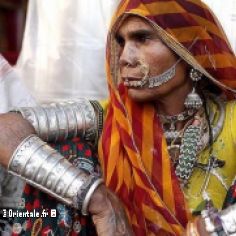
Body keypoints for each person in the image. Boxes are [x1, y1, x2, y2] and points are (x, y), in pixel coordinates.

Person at [0, 0, 236, 235]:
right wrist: (95, 197)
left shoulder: (230, 118)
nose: (124, 57)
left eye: (142, 39)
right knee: (71, 153)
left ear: (190, 50)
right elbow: (4, 131)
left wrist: (217, 227)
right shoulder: (107, 117)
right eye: (121, 42)